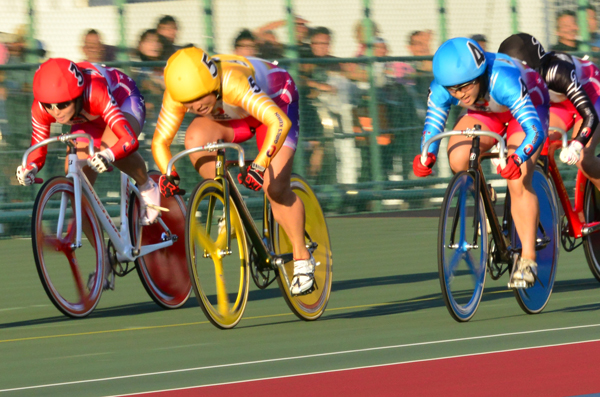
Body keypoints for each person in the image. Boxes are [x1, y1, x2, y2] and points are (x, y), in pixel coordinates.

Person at [151, 47, 316, 295]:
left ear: (213, 83)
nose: (195, 106)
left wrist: (260, 166)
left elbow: (279, 122)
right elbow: (159, 142)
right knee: (194, 137)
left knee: (275, 188)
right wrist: (168, 174)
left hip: (276, 106)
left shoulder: (233, 81)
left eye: (200, 97)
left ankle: (302, 259)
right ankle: (226, 202)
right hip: (233, 114)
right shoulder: (177, 94)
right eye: (188, 102)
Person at [413, 37, 550, 285]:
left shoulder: (502, 79)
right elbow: (434, 124)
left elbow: (534, 131)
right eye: (453, 90)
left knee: (518, 178)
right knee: (458, 157)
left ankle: (528, 260)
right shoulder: (444, 87)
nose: (459, 94)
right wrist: (426, 154)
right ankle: (484, 196)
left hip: (529, 108)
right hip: (488, 111)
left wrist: (517, 157)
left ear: (479, 75)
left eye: (465, 87)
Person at [16, 58, 160, 225]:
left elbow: (129, 140)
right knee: (77, 185)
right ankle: (102, 251)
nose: (56, 112)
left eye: (62, 104)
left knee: (111, 147)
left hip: (123, 100)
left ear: (77, 96)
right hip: (88, 118)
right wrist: (31, 168)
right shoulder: (40, 107)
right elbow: (38, 146)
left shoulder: (94, 91)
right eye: (49, 105)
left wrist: (108, 154)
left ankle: (147, 186)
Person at [499, 33, 600, 192]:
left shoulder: (557, 72)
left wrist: (576, 145)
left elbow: (590, 115)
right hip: (560, 103)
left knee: (583, 158)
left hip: (592, 96)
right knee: (540, 143)